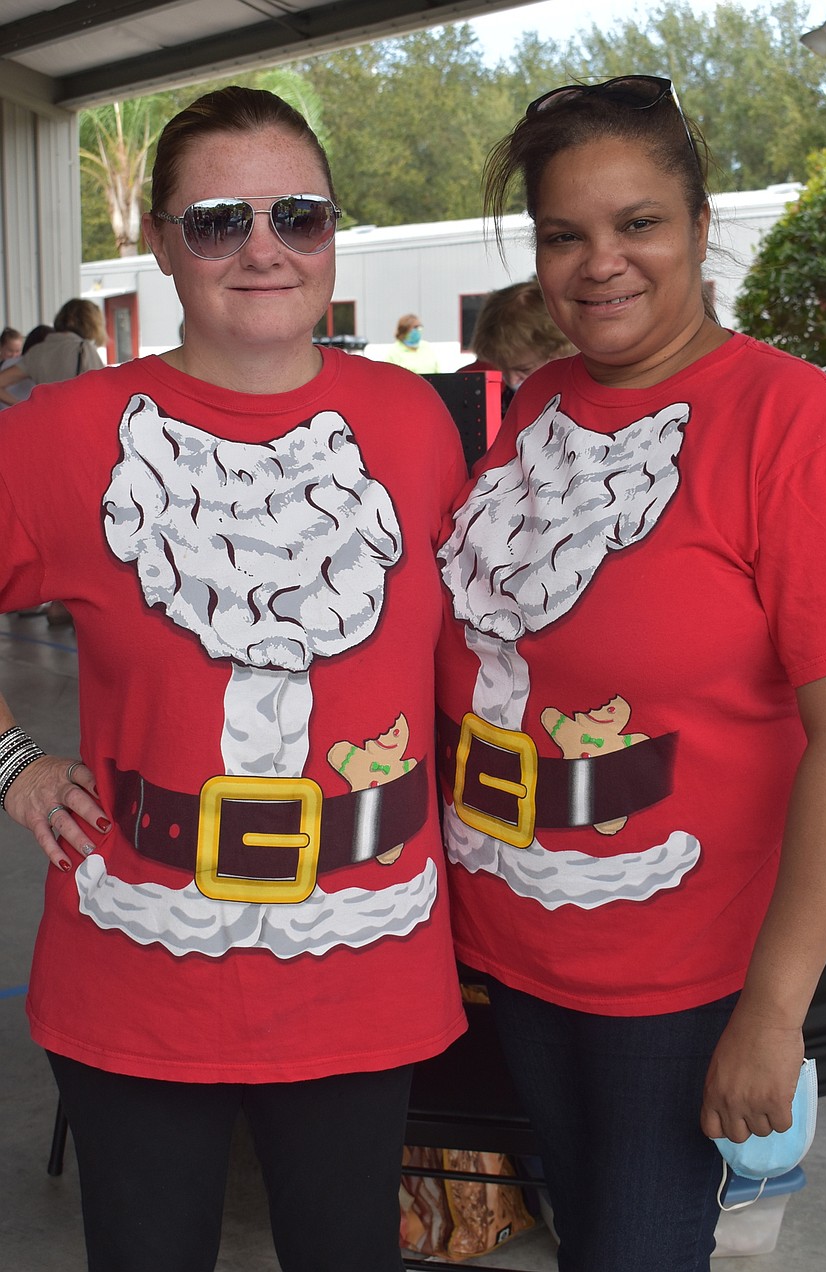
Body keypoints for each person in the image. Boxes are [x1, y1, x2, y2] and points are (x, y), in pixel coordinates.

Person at [0, 85, 467, 1272]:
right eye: (218, 220)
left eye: (296, 215)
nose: (262, 248)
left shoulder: (412, 422)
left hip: (366, 962)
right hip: (136, 972)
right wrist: (11, 758)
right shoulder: (62, 431)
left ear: (330, 234)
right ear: (162, 243)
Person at [435, 74, 826, 1271]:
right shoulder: (545, 400)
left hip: (679, 988)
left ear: (701, 227)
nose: (599, 263)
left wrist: (771, 1016)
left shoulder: (792, 420)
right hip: (517, 946)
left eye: (638, 224)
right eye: (564, 234)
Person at [463, 278, 576, 413]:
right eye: (502, 369)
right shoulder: (509, 401)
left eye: (523, 369)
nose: (512, 381)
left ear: (560, 353)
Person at [0, 299, 105, 407]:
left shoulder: (37, 352)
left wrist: (23, 406)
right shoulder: (84, 349)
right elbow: (104, 392)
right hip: (77, 418)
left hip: (47, 419)